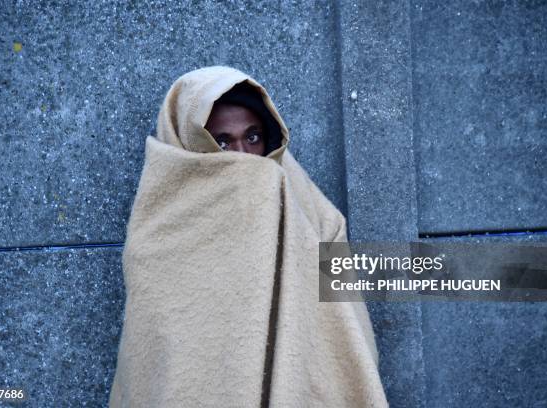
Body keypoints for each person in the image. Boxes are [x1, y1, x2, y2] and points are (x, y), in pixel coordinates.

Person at [109, 65, 388, 407]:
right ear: (190, 146)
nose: (243, 157)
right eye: (222, 142)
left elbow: (345, 335)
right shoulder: (159, 236)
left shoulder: (314, 213)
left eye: (253, 137)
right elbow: (157, 364)